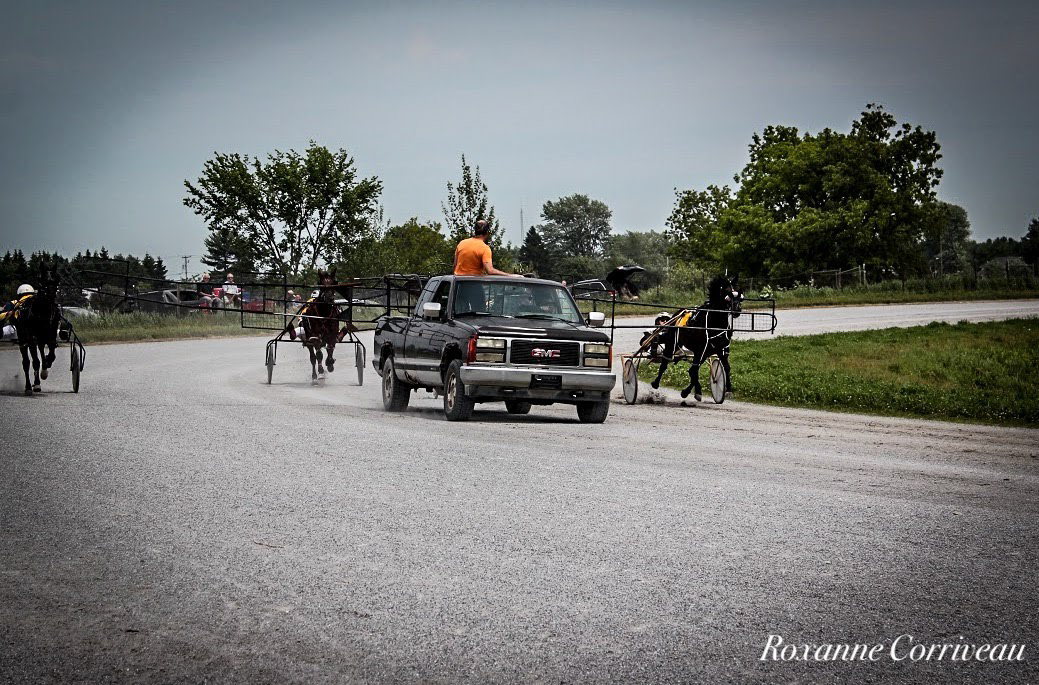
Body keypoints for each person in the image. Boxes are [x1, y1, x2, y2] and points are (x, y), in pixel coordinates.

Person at [453, 220, 522, 277]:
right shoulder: (485, 248)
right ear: (487, 233)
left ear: (475, 231)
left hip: (458, 283)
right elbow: (490, 270)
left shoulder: (461, 243)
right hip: (473, 283)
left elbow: (455, 265)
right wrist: (510, 275)